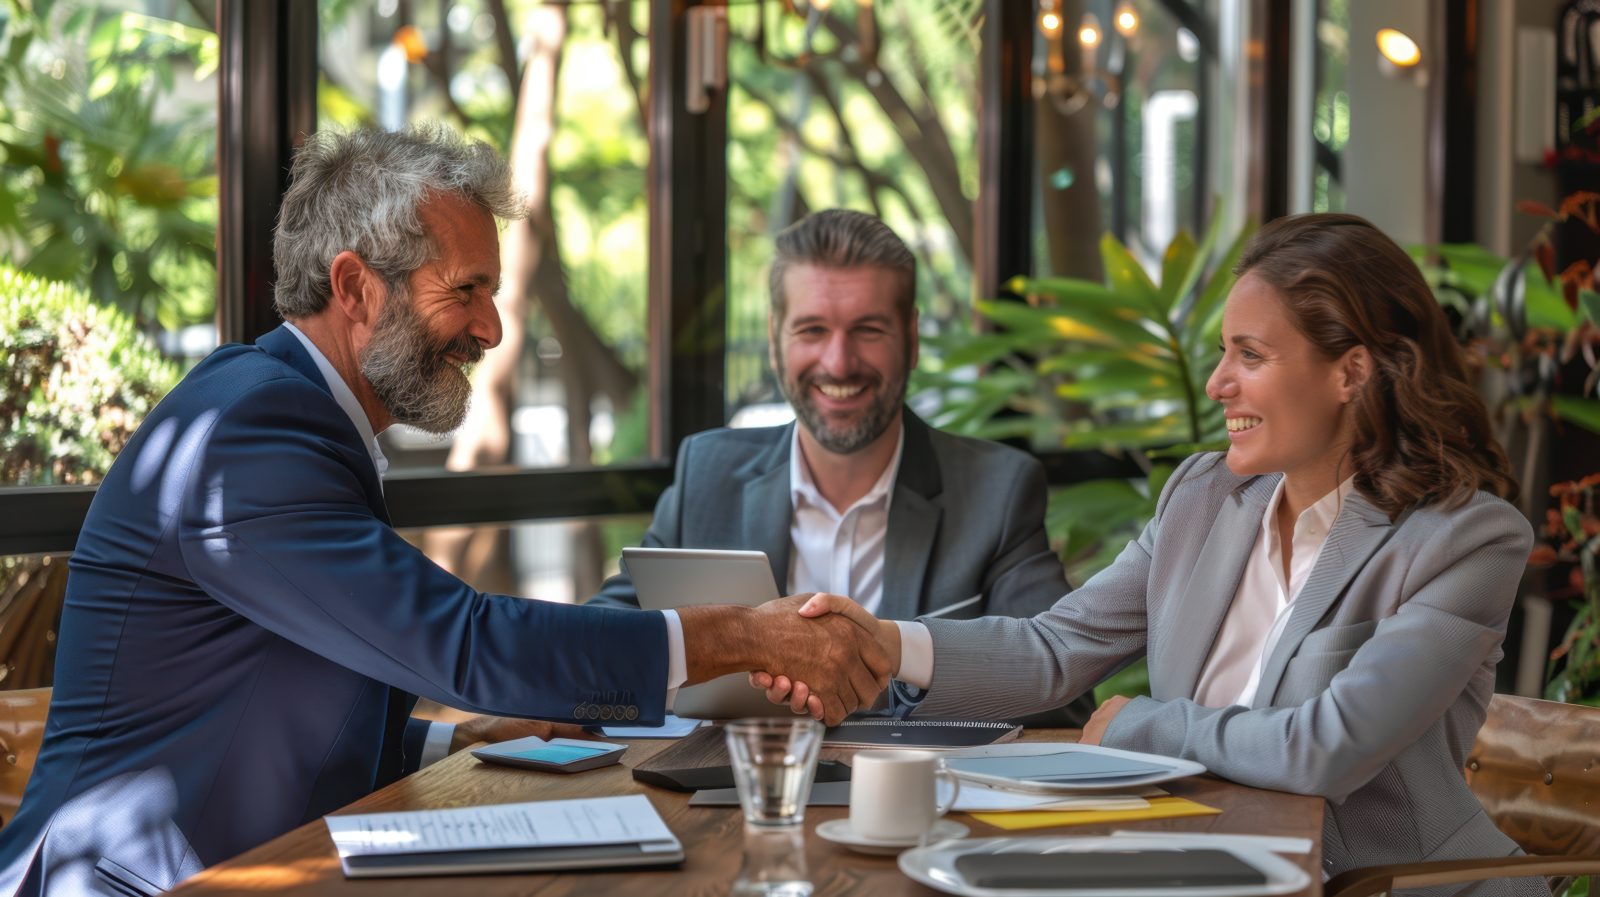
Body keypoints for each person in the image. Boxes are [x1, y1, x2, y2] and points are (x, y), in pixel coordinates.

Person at [0, 124, 889, 896]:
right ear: (355, 288)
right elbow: (457, 638)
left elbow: (288, 698)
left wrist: (461, 738)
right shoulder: (252, 429)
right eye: (465, 289)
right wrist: (746, 634)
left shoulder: (299, 416)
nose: (493, 329)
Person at [763, 213, 1545, 895]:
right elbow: (1057, 646)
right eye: (1221, 351)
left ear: (1350, 370)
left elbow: (1325, 748)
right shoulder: (1204, 496)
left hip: (1384, 886)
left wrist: (1141, 725)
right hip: (1195, 864)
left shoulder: (1465, 538)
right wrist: (884, 642)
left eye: (1250, 355)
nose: (1216, 383)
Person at [587, 209, 1092, 726]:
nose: (839, 362)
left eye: (868, 330)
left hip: (919, 797)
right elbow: (600, 643)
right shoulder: (707, 473)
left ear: (912, 338)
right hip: (723, 790)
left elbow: (1065, 697)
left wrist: (896, 667)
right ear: (774, 339)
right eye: (811, 330)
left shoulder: (998, 491)